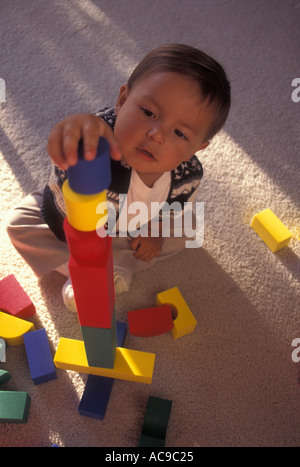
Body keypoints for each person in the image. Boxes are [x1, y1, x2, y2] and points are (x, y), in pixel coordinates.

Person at [6, 43, 231, 311]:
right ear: (123, 101)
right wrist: (77, 148)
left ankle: (117, 265)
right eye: (148, 113)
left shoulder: (188, 174)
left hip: (129, 227)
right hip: (73, 227)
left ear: (195, 149)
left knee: (191, 226)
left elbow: (175, 207)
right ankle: (85, 273)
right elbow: (68, 186)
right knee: (19, 222)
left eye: (179, 133)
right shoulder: (98, 142)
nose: (156, 134)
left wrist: (155, 231)